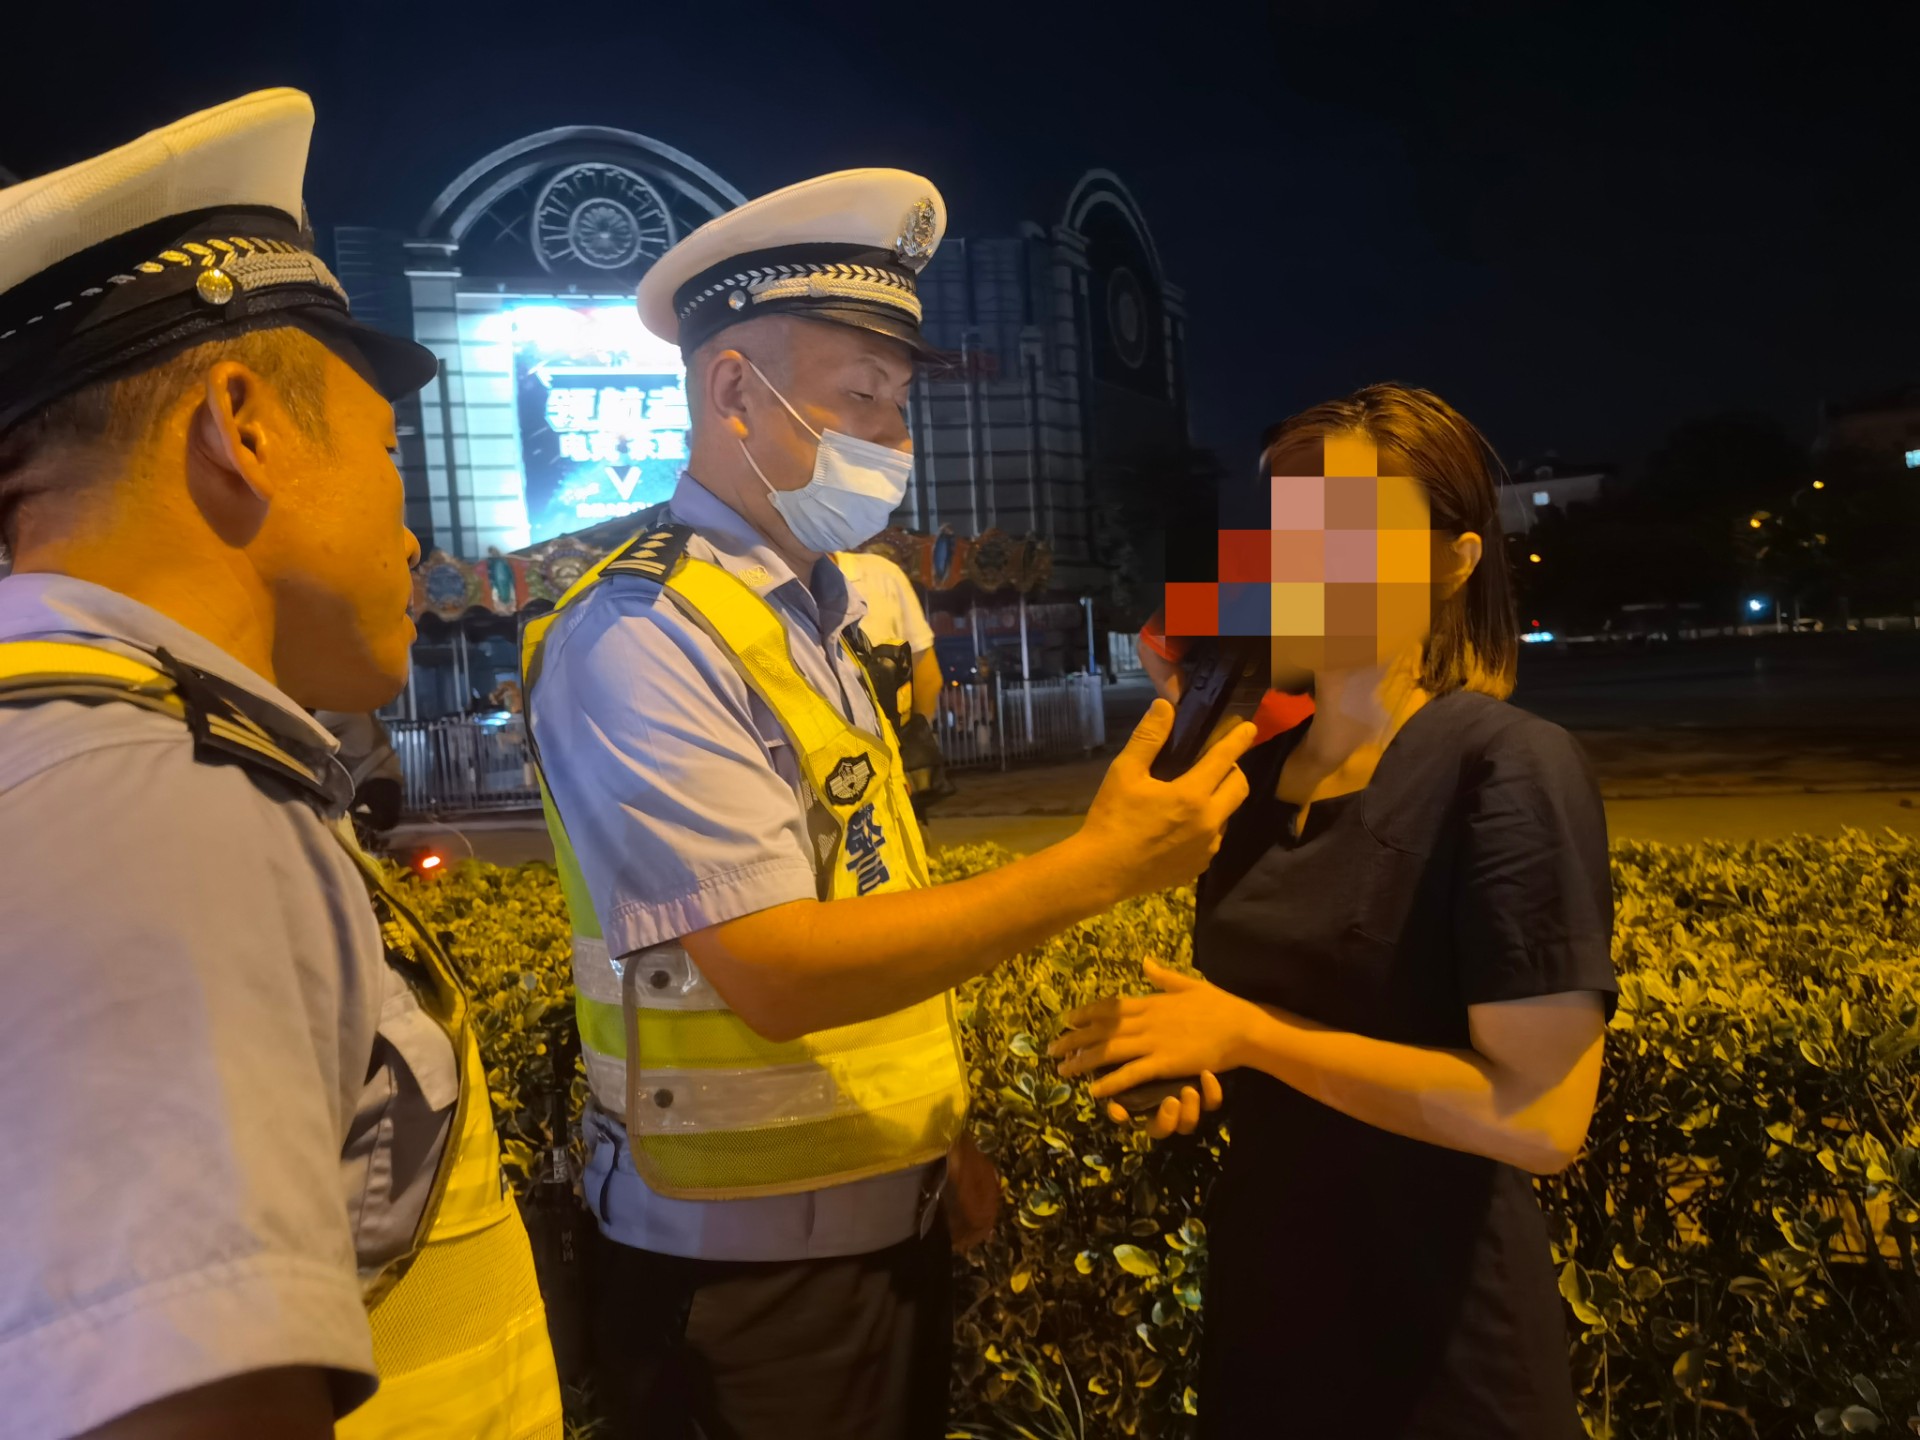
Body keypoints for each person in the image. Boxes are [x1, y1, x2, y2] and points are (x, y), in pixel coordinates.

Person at [519, 168, 1256, 1440]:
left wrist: (932, 1144)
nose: (893, 439)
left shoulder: (823, 616)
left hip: (874, 1230)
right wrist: (1101, 865)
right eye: (860, 398)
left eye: (900, 405)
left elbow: (868, 895)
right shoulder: (639, 634)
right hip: (734, 1285)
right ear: (732, 392)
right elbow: (776, 970)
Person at [0, 91, 562, 1440]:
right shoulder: (155, 822)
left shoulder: (88, 769)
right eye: (385, 452)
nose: (411, 533)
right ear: (243, 427)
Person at [1052, 385, 1616, 1439]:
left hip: (1444, 1357)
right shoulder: (1252, 782)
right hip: (1268, 1329)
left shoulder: (1506, 765)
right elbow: (1299, 1033)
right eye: (1288, 528)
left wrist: (1249, 1036)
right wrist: (1196, 1068)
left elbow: (1539, 1120)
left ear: (1453, 561)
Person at [836, 546, 953, 822]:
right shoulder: (881, 575)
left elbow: (927, 676)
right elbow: (926, 675)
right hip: (884, 769)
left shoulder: (881, 575)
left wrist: (909, 751)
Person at [313, 708, 405, 839]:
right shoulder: (359, 712)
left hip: (371, 784)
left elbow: (303, 731)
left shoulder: (342, 709)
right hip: (380, 783)